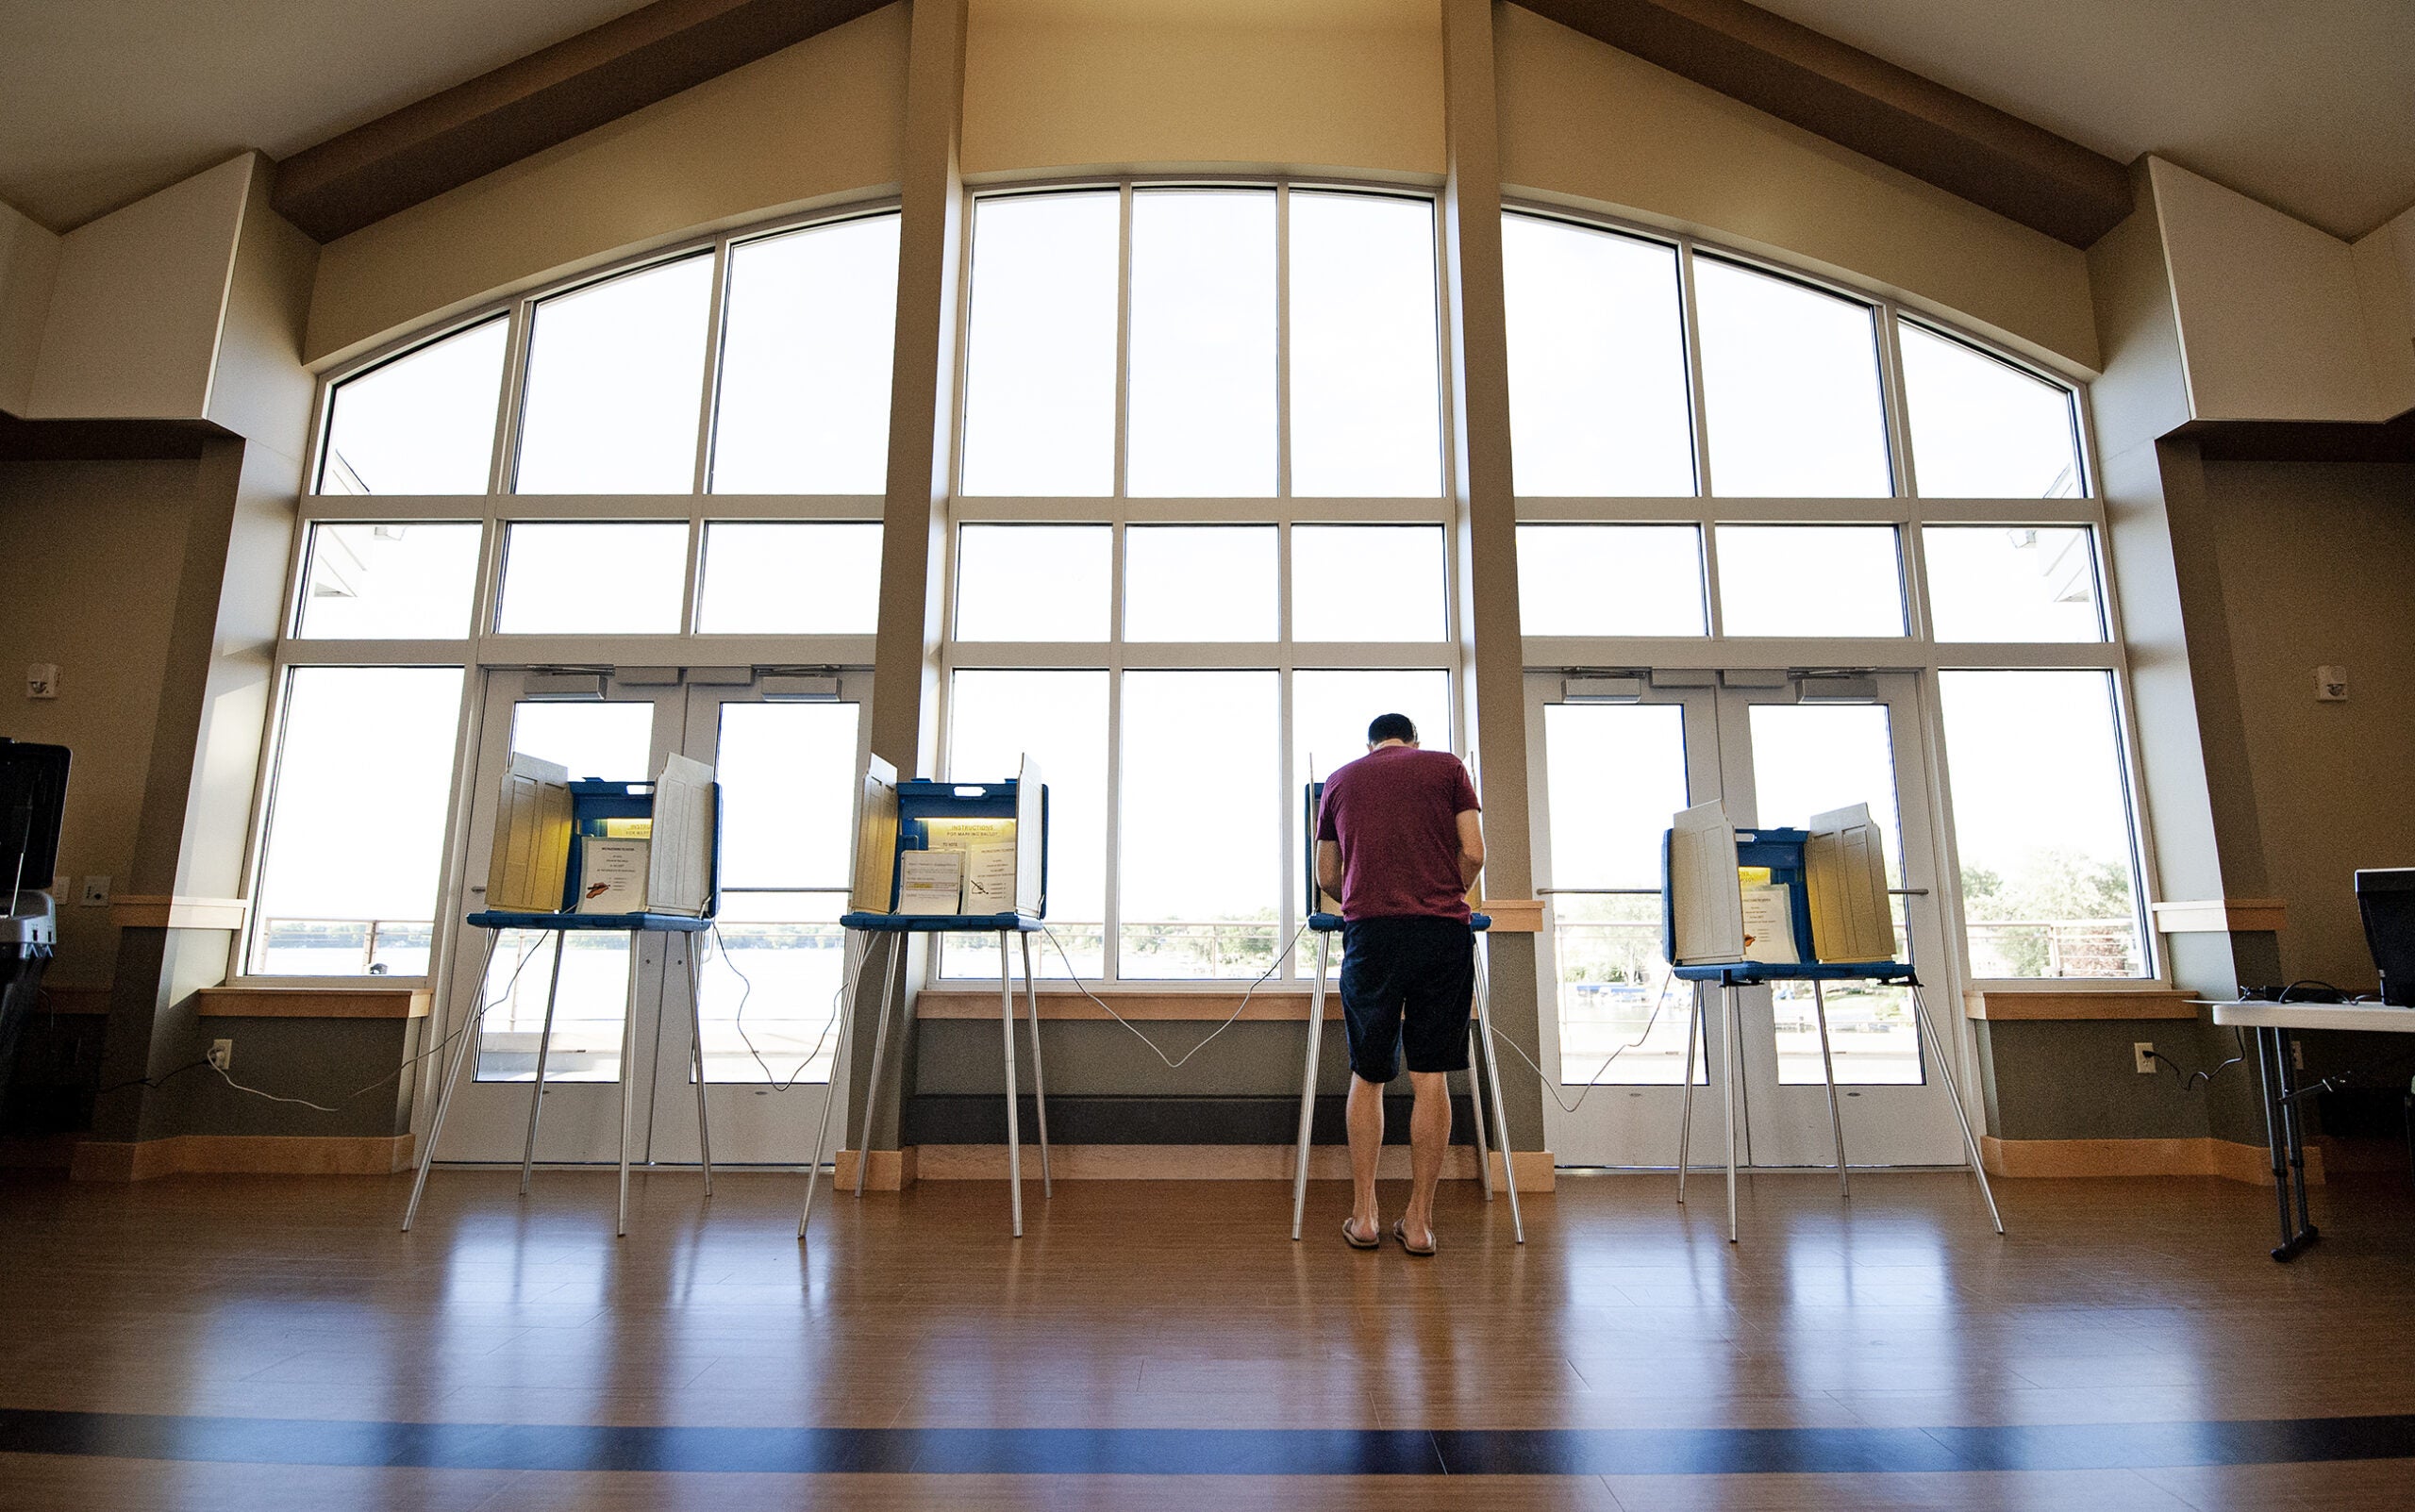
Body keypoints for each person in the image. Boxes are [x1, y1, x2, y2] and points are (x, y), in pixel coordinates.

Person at [1313, 712, 1483, 1255]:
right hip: (1442, 937)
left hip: (1373, 939)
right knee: (1430, 1076)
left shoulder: (1340, 780)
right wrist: (1441, 890)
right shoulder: (1448, 768)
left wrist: (1367, 893)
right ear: (1414, 741)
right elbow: (1475, 851)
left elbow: (1326, 875)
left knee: (1369, 1073)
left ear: (1370, 744)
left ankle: (1364, 1215)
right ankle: (1419, 1223)